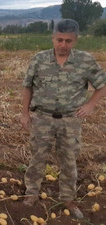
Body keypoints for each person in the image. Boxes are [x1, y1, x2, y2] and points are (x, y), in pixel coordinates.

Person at [21, 19, 106, 219]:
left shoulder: (85, 61)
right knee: (37, 158)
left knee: (69, 160)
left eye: (68, 41)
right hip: (42, 118)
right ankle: (32, 193)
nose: (63, 45)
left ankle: (68, 197)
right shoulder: (39, 59)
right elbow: (28, 86)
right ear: (53, 38)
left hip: (70, 120)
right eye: (59, 40)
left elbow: (102, 85)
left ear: (75, 40)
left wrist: (90, 105)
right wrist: (24, 113)